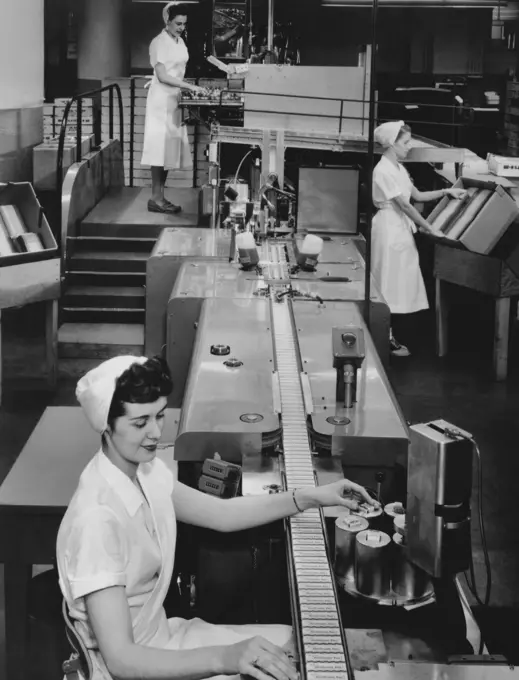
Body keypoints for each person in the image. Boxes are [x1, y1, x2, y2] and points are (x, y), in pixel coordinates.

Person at [57, 355, 378, 680]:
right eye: (140, 423)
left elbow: (220, 514)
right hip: (137, 668)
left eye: (160, 415)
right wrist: (225, 658)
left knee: (300, 647)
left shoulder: (145, 472)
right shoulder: (96, 521)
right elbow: (122, 661)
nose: (155, 432)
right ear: (106, 426)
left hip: (165, 641)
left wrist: (308, 497)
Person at [371, 120, 466, 357]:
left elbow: (417, 195)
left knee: (397, 282)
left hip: (399, 229)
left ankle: (387, 335)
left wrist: (447, 191)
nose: (409, 147)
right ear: (392, 144)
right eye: (405, 143)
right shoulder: (382, 170)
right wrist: (430, 228)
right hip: (389, 228)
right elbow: (404, 205)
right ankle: (384, 337)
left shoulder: (399, 168)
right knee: (387, 282)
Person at [141, 2, 206, 215]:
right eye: (177, 23)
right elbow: (162, 75)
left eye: (184, 24)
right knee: (160, 149)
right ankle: (155, 198)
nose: (181, 27)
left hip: (174, 98)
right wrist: (189, 86)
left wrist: (184, 89)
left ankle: (159, 197)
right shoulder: (158, 42)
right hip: (161, 100)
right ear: (167, 21)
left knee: (168, 151)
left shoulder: (179, 42)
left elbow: (177, 71)